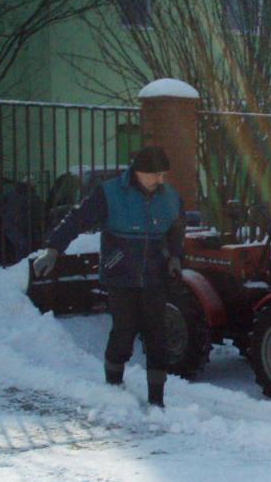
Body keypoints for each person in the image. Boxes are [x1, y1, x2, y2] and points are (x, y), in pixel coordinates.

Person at [32, 146, 185, 408]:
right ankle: (114, 388)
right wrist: (54, 249)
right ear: (139, 172)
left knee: (156, 335)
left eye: (163, 174)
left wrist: (175, 257)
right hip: (120, 274)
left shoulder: (169, 196)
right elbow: (76, 219)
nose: (160, 180)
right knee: (123, 331)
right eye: (155, 174)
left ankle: (157, 400)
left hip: (155, 275)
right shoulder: (110, 193)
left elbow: (176, 227)